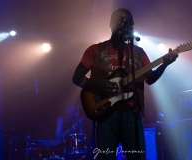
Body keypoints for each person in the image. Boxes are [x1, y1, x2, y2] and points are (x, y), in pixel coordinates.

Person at [72, 8, 178, 160]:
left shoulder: (139, 53)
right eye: (118, 19)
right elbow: (76, 78)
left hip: (132, 114)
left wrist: (165, 64)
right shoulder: (95, 50)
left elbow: (150, 78)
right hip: (105, 115)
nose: (122, 23)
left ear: (131, 26)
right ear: (110, 23)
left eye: (126, 21)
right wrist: (99, 85)